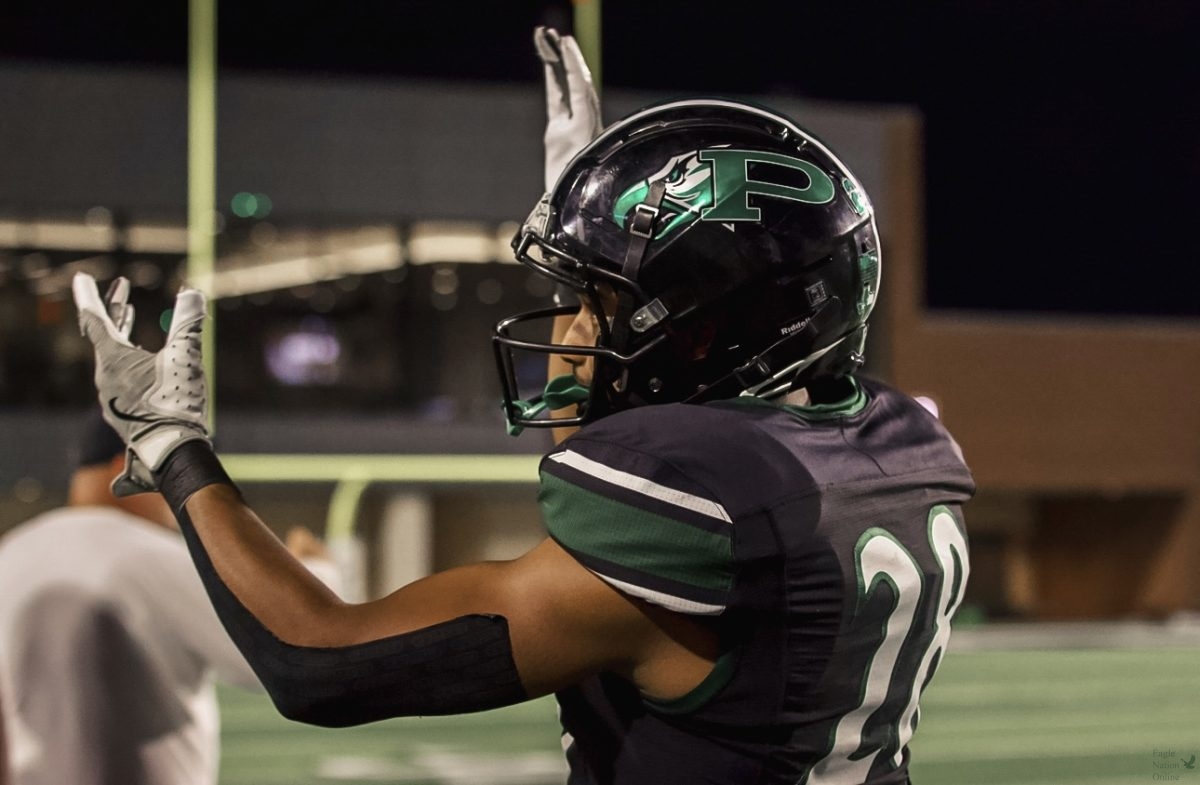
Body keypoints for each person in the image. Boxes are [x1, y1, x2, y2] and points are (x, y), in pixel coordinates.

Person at [69, 32, 974, 785]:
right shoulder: (891, 444)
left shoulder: (697, 519)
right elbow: (642, 416)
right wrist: (605, 224)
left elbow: (320, 661)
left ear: (712, 329)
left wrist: (174, 446)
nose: (573, 333)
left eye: (602, 302)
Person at [0, 412, 339, 785]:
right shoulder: (142, 551)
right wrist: (316, 572)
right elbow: (287, 653)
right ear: (132, 469)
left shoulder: (10, 551)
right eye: (186, 478)